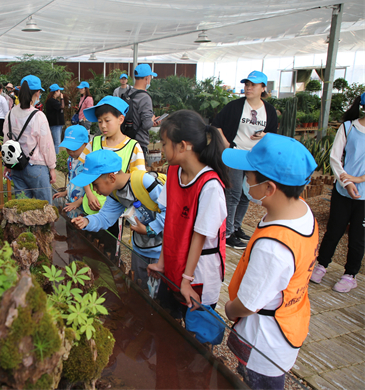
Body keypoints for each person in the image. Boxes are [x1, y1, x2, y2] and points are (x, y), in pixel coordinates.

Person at [222, 134, 318, 390]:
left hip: (263, 344)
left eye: (249, 177)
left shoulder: (273, 247)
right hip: (289, 323)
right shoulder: (302, 213)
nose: (244, 181)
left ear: (269, 188)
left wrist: (230, 309)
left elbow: (249, 304)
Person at [147, 110, 229, 318]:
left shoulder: (209, 185)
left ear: (183, 146)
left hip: (198, 273)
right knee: (168, 324)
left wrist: (186, 280)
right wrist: (161, 263)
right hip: (176, 264)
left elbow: (199, 236)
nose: (162, 149)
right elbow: (171, 222)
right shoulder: (174, 172)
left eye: (165, 144)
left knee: (196, 334)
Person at [71, 149, 165, 287]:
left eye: (95, 184)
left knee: (161, 294)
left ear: (111, 178)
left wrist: (149, 230)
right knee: (141, 287)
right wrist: (87, 221)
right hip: (140, 248)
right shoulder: (115, 194)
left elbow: (170, 210)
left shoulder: (145, 181)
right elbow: (105, 218)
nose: (94, 190)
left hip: (162, 251)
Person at [212, 70, 278, 250]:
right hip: (235, 154)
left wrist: (264, 135)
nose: (248, 88)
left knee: (246, 194)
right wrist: (227, 145)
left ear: (263, 88)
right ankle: (228, 232)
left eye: (253, 85)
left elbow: (273, 134)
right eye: (247, 84)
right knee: (232, 193)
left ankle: (236, 226)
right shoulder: (235, 106)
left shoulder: (269, 111)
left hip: (255, 157)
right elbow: (216, 125)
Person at [311, 93, 365, 293]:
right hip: (343, 191)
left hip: (363, 196)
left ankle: (350, 275)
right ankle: (321, 265)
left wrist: (358, 180)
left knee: (358, 237)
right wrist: (346, 181)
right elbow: (335, 158)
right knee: (334, 230)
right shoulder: (348, 127)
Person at [78, 96, 145, 216]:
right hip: (91, 205)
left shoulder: (133, 147)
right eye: (99, 121)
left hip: (116, 211)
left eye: (107, 121)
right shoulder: (94, 143)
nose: (103, 125)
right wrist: (89, 193)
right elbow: (83, 171)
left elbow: (138, 180)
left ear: (120, 119)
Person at [2, 75, 56, 203]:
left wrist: (7, 164)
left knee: (23, 210)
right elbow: (46, 145)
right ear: (37, 93)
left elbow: (6, 141)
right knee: (44, 209)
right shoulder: (38, 116)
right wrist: (52, 168)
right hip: (36, 167)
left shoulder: (10, 114)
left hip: (16, 166)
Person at [53, 125, 89, 218]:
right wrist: (65, 192)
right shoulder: (70, 160)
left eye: (74, 148)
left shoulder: (88, 163)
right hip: (70, 203)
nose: (70, 151)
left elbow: (92, 189)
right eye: (68, 148)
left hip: (83, 207)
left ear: (85, 144)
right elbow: (71, 180)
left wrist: (79, 202)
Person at [121, 64, 158, 156]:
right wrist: (152, 119)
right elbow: (146, 125)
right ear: (147, 78)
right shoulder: (145, 97)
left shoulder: (127, 94)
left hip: (125, 141)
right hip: (139, 144)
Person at [45, 84, 66, 156]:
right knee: (57, 142)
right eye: (59, 91)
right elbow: (62, 106)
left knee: (57, 142)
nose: (60, 92)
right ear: (55, 92)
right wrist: (62, 98)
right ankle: (56, 157)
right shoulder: (51, 101)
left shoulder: (53, 100)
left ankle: (55, 156)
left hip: (57, 124)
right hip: (55, 124)